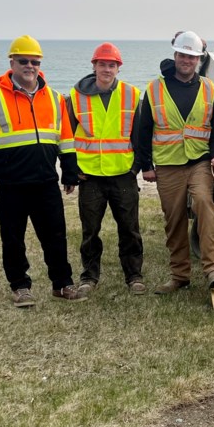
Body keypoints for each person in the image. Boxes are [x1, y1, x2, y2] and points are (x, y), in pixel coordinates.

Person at [0, 35, 85, 307]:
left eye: (34, 61)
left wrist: (70, 172)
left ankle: (62, 284)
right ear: (12, 62)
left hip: (45, 182)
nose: (29, 66)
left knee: (56, 236)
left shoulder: (55, 98)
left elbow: (65, 138)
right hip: (10, 185)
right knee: (13, 238)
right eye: (23, 61)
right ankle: (20, 287)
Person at [137, 31, 214, 295]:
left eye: (192, 56)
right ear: (175, 55)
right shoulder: (154, 88)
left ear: (199, 59)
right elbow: (144, 129)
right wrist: (146, 166)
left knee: (203, 203)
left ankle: (213, 269)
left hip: (200, 161)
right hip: (167, 164)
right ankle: (179, 275)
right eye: (183, 55)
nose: (187, 60)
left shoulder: (209, 88)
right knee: (174, 218)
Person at [67, 42, 145, 296]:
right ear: (94, 66)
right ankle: (89, 276)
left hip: (123, 174)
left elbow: (140, 135)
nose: (107, 69)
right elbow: (65, 135)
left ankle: (134, 276)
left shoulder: (132, 95)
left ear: (118, 69)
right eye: (102, 64)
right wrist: (70, 170)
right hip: (90, 176)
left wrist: (135, 168)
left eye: (112, 65)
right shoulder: (76, 96)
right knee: (90, 231)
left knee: (130, 229)